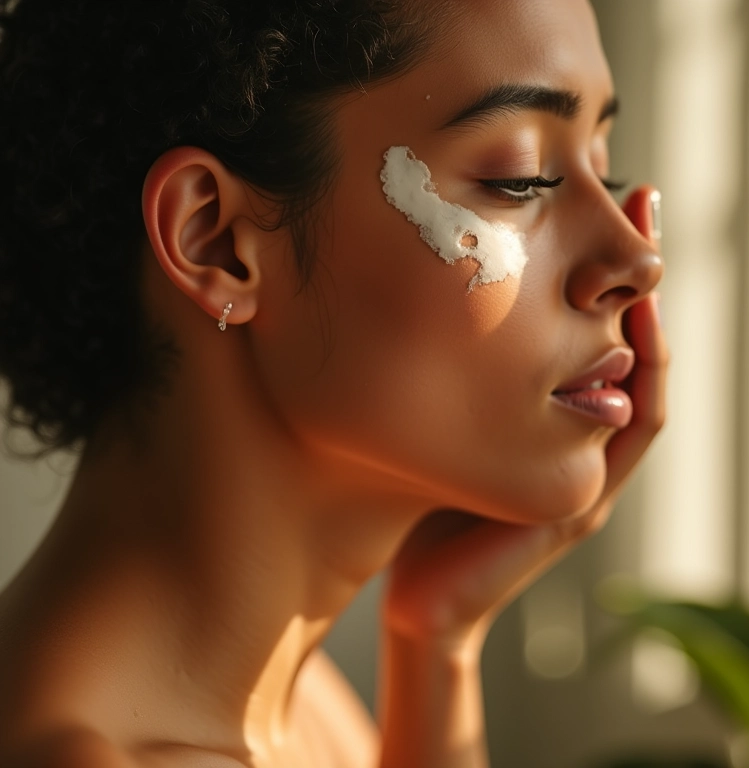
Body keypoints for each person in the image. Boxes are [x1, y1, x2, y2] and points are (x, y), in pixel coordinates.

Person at [0, 0, 667, 765]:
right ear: (214, 240)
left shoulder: (297, 713)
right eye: (521, 178)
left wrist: (438, 640)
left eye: (603, 167)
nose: (638, 258)